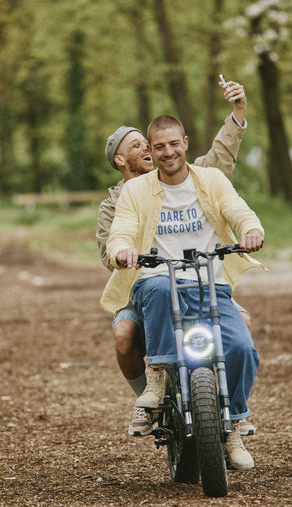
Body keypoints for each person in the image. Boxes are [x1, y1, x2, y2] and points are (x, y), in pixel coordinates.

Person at [100, 114, 265, 470]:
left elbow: (238, 210)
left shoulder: (209, 179)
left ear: (186, 143)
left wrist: (251, 230)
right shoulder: (131, 191)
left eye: (173, 144)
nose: (164, 152)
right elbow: (119, 234)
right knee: (156, 286)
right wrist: (121, 251)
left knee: (241, 346)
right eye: (157, 146)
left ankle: (233, 422)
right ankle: (156, 381)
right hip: (154, 283)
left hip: (209, 283)